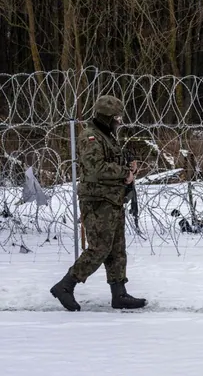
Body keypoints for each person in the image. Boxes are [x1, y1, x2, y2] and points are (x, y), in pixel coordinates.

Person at [50, 95, 147, 311]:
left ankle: (119, 294)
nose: (119, 122)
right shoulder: (91, 137)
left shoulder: (107, 136)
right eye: (116, 117)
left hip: (112, 198)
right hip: (97, 201)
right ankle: (65, 286)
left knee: (117, 249)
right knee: (99, 248)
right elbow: (96, 169)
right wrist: (125, 173)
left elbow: (112, 162)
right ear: (106, 117)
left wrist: (129, 166)